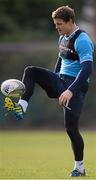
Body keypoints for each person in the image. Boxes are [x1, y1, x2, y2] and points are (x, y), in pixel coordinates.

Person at [4, 5, 94, 177]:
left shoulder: (82, 40)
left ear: (70, 21)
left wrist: (70, 91)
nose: (57, 27)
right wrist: (52, 81)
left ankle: (80, 168)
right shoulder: (62, 38)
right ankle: (21, 106)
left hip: (76, 87)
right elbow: (61, 61)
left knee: (71, 129)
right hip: (61, 82)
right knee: (31, 71)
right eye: (55, 24)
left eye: (60, 24)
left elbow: (87, 69)